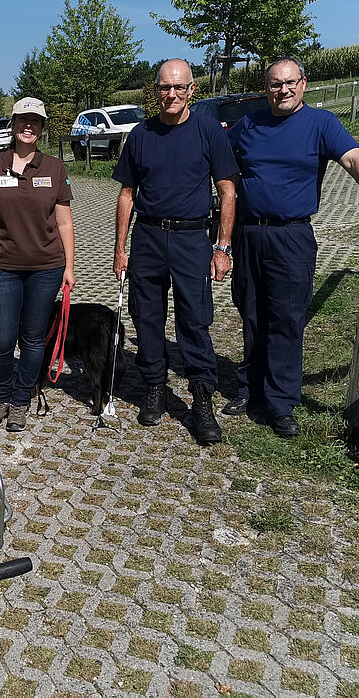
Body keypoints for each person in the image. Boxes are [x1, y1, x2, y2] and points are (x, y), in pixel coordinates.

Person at [225, 57, 359, 437]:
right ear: (267, 88)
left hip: (291, 236)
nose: (283, 90)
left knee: (287, 319)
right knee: (252, 313)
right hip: (249, 234)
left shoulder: (321, 124)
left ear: (303, 84)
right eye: (275, 84)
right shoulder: (249, 125)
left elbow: (353, 158)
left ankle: (280, 402)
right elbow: (216, 159)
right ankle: (249, 390)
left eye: (290, 82)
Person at [113, 59, 238, 443]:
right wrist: (119, 249)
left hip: (191, 240)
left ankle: (202, 400)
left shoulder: (208, 131)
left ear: (192, 89)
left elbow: (228, 190)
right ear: (156, 90)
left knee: (194, 322)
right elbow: (127, 194)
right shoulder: (140, 134)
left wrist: (223, 246)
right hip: (147, 239)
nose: (171, 94)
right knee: (146, 319)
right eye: (165, 87)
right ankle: (154, 388)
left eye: (178, 87)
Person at [0, 97, 75, 432]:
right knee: (2, 338)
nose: (28, 126)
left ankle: (20, 400)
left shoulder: (55, 168)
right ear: (13, 125)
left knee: (32, 339)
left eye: (35, 121)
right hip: (1, 265)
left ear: (41, 127)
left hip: (46, 267)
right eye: (22, 120)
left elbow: (64, 223)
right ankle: (0, 397)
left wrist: (70, 267)